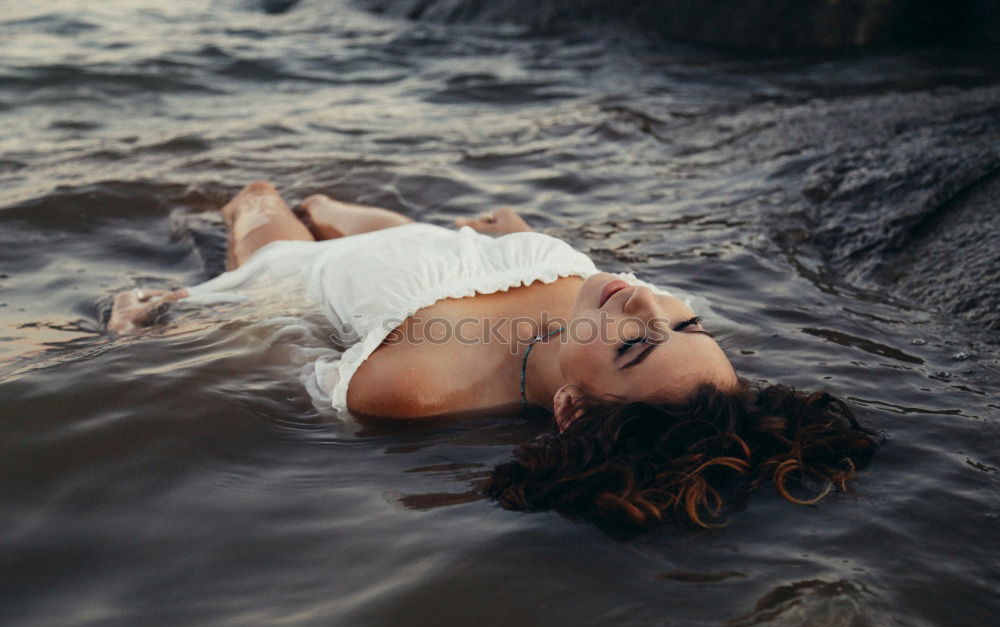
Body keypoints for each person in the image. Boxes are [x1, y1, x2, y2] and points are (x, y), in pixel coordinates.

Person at [109, 182, 879, 530]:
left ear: (572, 409)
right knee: (331, 207)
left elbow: (277, 338)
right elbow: (614, 291)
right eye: (690, 324)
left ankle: (292, 217)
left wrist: (161, 327)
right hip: (429, 240)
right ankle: (330, 213)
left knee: (261, 196)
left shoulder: (419, 390)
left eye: (640, 345)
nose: (651, 307)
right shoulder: (641, 304)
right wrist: (521, 233)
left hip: (303, 279)